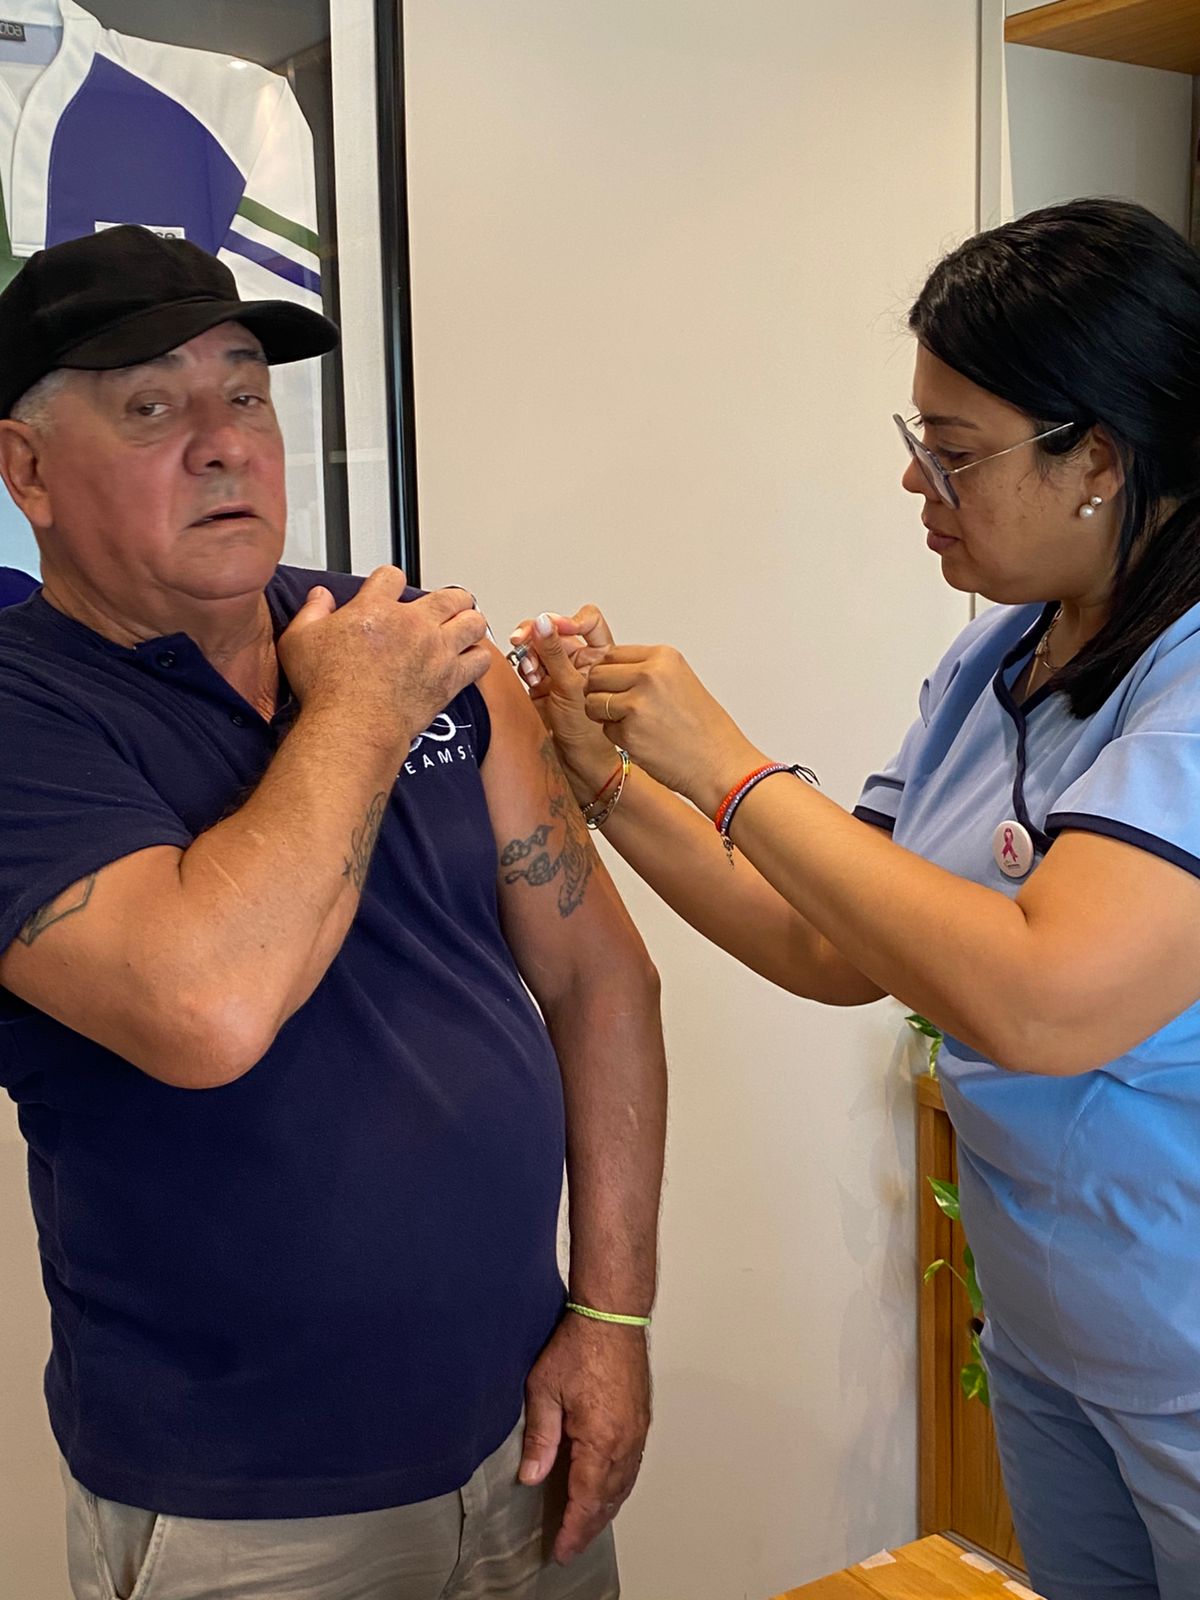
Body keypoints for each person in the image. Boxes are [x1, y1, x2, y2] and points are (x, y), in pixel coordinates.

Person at [513, 198, 1200, 1600]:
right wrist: (611, 781)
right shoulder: (995, 662)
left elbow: (1043, 997)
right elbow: (832, 941)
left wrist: (728, 764)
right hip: (1055, 1341)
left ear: (1099, 457)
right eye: (917, 441)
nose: (915, 483)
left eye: (954, 452)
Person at [0, 226, 666, 1600]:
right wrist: (359, 708)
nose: (225, 444)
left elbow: (600, 981)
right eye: (150, 408)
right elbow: (206, 1008)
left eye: (245, 394)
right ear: (28, 471)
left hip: (523, 1430)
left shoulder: (413, 642)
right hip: (240, 1505)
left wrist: (612, 1313)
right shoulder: (36, 708)